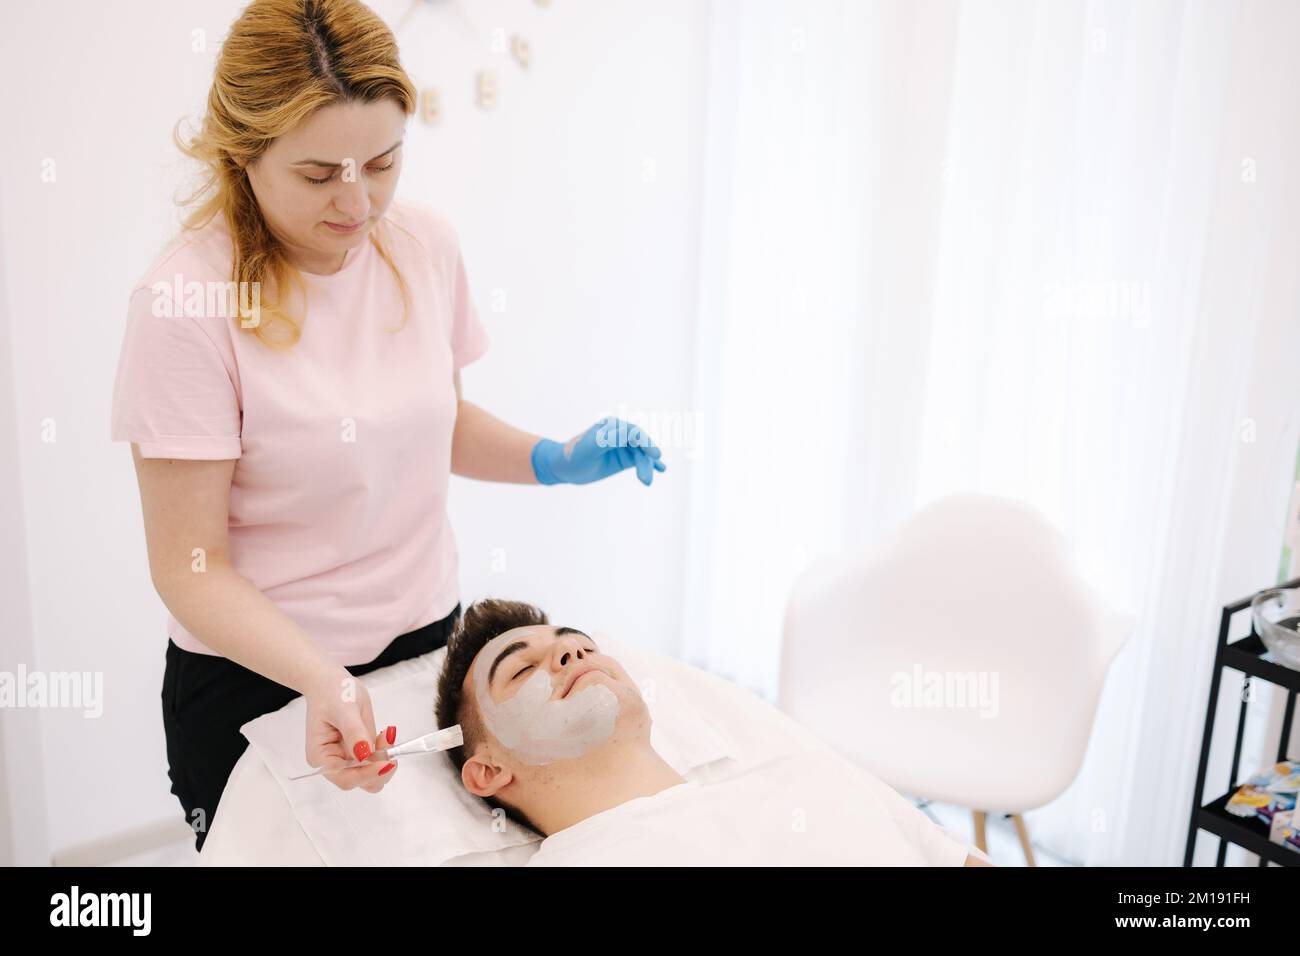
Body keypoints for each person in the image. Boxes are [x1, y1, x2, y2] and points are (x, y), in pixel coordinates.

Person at [110, 0, 664, 852]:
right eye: (318, 173)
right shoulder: (186, 304)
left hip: (426, 646)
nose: (357, 201)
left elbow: (433, 423)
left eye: (382, 161)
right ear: (244, 152)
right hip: (260, 677)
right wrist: (320, 679)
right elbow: (193, 570)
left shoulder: (423, 245)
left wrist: (553, 460)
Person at [434, 599, 994, 866]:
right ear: (488, 770)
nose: (570, 650)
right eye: (523, 669)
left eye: (577, 641)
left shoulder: (807, 771)